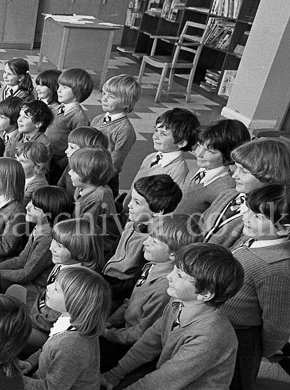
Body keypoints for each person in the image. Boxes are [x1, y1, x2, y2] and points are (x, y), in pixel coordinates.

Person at [94, 243, 244, 390]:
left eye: (180, 275)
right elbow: (148, 343)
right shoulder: (177, 304)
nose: (169, 276)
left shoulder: (211, 334)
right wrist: (116, 373)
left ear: (205, 294)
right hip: (170, 383)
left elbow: (167, 378)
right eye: (174, 269)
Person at [217, 184, 290, 390]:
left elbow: (277, 323)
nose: (246, 217)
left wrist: (260, 352)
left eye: (258, 216)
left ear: (285, 229)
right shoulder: (254, 239)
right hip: (224, 333)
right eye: (248, 209)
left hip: (241, 339)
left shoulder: (276, 267)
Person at [100, 214, 203, 372]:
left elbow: (142, 333)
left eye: (154, 241)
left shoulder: (164, 288)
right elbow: (130, 303)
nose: (145, 242)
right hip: (122, 331)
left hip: (131, 347)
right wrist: (110, 322)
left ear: (173, 255)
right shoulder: (150, 266)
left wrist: (109, 334)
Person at [22, 267, 110, 390]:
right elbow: (47, 348)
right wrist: (29, 363)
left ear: (74, 302)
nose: (48, 287)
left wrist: (21, 380)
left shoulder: (73, 345)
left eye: (56, 288)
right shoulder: (67, 319)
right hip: (51, 387)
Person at [26, 218, 105, 350]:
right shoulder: (62, 263)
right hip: (38, 316)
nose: (51, 247)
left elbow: (52, 320)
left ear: (79, 251)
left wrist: (27, 319)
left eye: (60, 245)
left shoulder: (77, 284)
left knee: (5, 327)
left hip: (48, 332)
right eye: (53, 241)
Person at [103, 174, 182, 302]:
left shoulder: (154, 244)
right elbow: (112, 252)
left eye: (137, 202)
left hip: (117, 293)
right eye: (132, 199)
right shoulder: (133, 224)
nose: (129, 205)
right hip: (106, 277)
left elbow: (132, 284)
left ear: (158, 211)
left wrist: (101, 288)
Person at [200, 138, 290, 248]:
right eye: (236, 167)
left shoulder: (262, 219)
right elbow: (201, 224)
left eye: (244, 171)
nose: (234, 175)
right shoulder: (228, 195)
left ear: (268, 177)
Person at [0, 186, 72, 298]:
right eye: (30, 202)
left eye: (35, 208)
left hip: (37, 288)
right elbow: (21, 259)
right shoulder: (38, 227)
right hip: (27, 279)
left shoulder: (47, 239)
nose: (27, 207)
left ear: (50, 214)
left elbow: (25, 274)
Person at [176, 119, 250, 216]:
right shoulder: (194, 172)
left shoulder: (225, 189)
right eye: (199, 145)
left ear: (229, 155)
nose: (198, 153)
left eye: (209, 151)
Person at [127, 108, 200, 199]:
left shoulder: (178, 171)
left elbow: (169, 203)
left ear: (181, 143)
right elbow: (133, 186)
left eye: (163, 134)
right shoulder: (150, 157)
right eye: (156, 130)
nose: (155, 136)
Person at [89, 74, 141, 192]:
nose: (104, 99)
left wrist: (96, 180)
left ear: (126, 103)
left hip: (103, 179)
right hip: (87, 170)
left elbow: (115, 163)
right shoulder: (98, 118)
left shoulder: (125, 130)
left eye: (111, 96)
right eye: (103, 93)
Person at [69, 147, 120, 257]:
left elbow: (85, 231)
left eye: (74, 171)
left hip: (99, 248)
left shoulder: (97, 199)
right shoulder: (82, 187)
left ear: (87, 175)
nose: (69, 172)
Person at [44, 68, 93, 182]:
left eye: (64, 87)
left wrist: (60, 164)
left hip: (57, 163)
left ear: (78, 91)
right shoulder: (57, 108)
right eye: (59, 86)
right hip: (47, 157)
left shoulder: (78, 117)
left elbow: (79, 146)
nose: (58, 90)